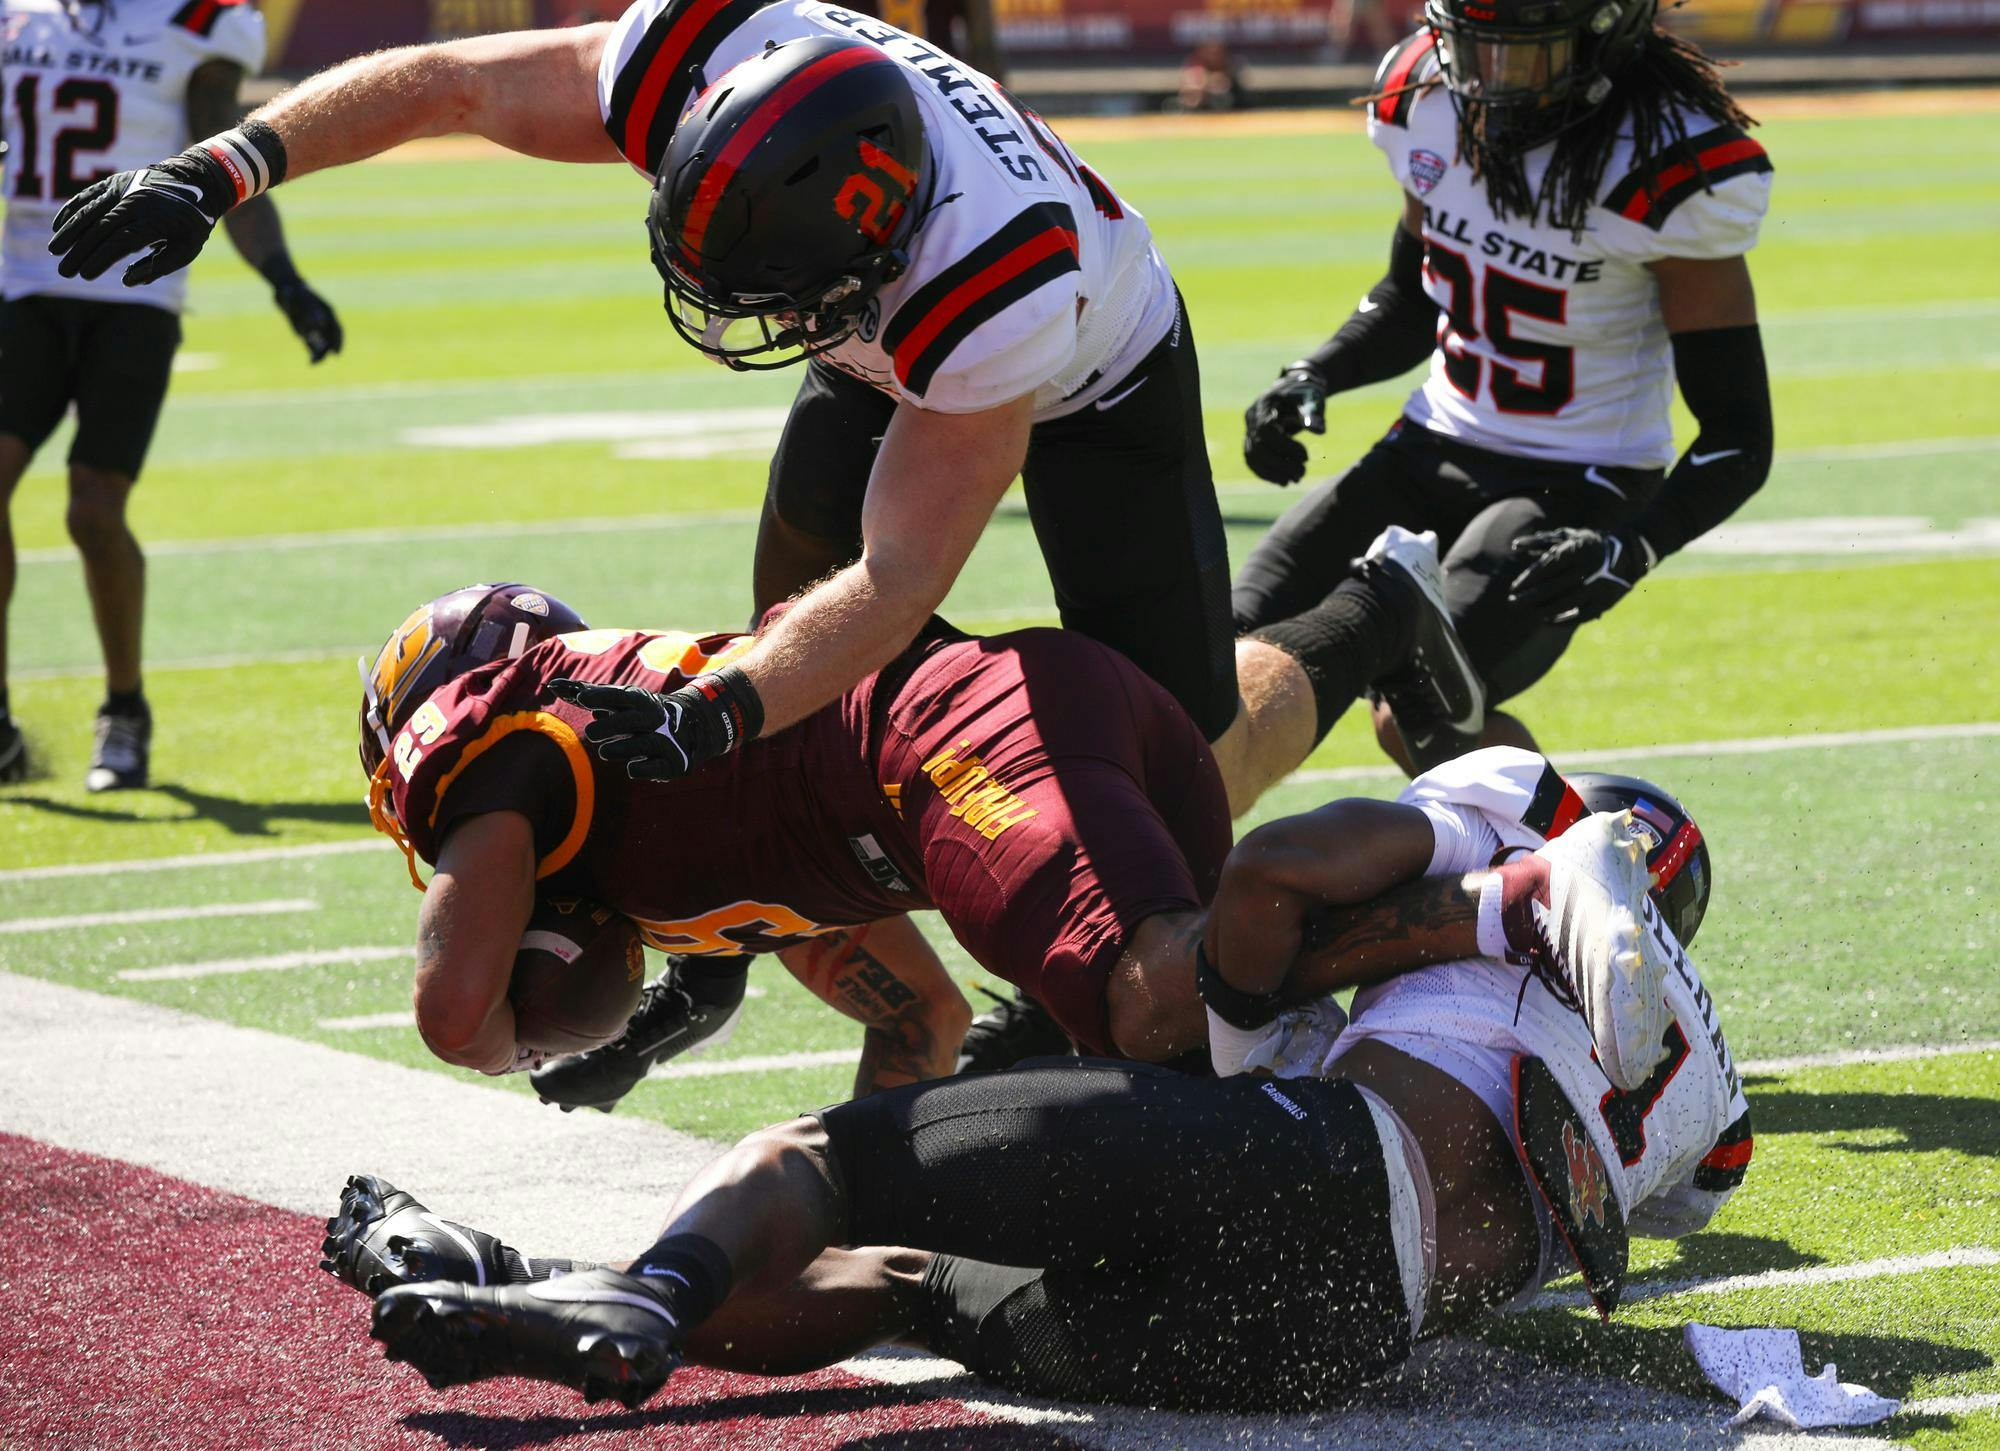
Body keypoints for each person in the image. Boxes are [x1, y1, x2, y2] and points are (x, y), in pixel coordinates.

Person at [38, 1, 1481, 815]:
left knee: (1180, 774)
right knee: (793, 661)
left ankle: (1375, 618)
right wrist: (226, 167)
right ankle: (807, 925)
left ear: (864, 257)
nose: (753, 327)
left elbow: (905, 576)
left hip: (1099, 369)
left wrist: (712, 712)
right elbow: (461, 83)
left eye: (785, 302)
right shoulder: (713, 53)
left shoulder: (995, 286)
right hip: (889, 321)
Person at [320, 752, 1745, 1413]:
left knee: (832, 1158)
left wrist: (1469, 902)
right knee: (915, 1278)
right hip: (1326, 1339)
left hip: (1315, 1162)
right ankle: (543, 1274)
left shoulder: (1534, 836)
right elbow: (1681, 1194)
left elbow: (1270, 880)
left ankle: (642, 1295)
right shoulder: (1697, 1089)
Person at [354, 578, 1649, 1112]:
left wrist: (550, 989)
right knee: (1203, 1052)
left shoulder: (512, 740)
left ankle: (1515, 895)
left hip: (954, 744)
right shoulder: (693, 843)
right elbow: (918, 1022)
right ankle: (1493, 861)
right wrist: (877, 1203)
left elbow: (459, 1014)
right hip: (1016, 731)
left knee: (1153, 1003)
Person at [1234, 0, 1773, 772]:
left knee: (1421, 704)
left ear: (1603, 38)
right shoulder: (1425, 99)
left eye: (1523, 53)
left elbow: (1739, 435)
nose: (1491, 80)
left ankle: (1581, 865)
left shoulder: (1659, 159)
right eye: (1474, 48)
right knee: (1223, 645)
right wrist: (1316, 371)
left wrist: (1633, 545)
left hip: (1575, 474)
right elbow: (1413, 297)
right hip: (1430, 440)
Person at [0, 0, 341, 790]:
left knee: (93, 508)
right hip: (22, 285)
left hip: (135, 294)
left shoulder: (196, 18)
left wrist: (285, 281)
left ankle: (124, 710)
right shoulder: (20, 14)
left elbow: (225, 160)